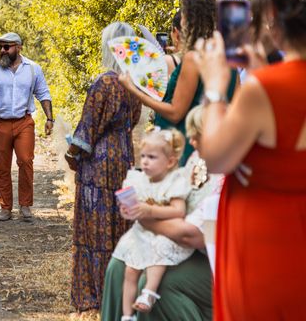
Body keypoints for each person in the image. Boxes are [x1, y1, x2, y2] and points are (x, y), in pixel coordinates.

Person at [194, 0, 306, 319]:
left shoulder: (266, 90)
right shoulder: (266, 85)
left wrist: (213, 87)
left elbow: (216, 154)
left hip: (269, 244)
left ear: (271, 14)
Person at [101, 112, 222, 321]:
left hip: (216, 261)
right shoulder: (197, 159)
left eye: (198, 135)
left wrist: (144, 215)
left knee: (153, 283)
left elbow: (195, 236)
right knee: (118, 266)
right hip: (182, 244)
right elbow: (174, 193)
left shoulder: (229, 175)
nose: (192, 141)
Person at [63, 22, 142, 314]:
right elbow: (132, 122)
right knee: (119, 226)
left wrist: (71, 154)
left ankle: (94, 295)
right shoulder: (132, 83)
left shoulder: (104, 83)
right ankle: (120, 290)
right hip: (124, 157)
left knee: (94, 231)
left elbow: (86, 132)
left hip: (99, 164)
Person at [119, 0, 237, 166]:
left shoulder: (193, 58)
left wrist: (134, 90)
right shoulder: (229, 58)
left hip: (186, 148)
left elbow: (175, 113)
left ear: (190, 20)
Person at [112, 129, 190, 320]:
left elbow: (179, 211)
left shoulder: (175, 180)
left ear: (170, 162)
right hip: (142, 232)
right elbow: (134, 206)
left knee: (156, 257)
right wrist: (129, 209)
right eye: (144, 156)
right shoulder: (139, 180)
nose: (145, 161)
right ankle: (127, 315)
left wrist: (151, 211)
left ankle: (149, 292)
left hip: (164, 233)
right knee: (130, 270)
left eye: (152, 157)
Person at [0, 32, 53, 222]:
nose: (2, 50)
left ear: (19, 47)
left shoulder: (33, 69)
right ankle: (5, 207)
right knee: (3, 167)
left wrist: (50, 118)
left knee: (26, 161)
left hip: (23, 122)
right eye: (0, 47)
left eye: (7, 47)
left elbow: (43, 94)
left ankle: (25, 205)